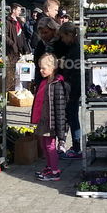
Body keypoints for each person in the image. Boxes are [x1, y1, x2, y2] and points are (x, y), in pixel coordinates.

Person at [31, 53, 68, 181]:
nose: (41, 70)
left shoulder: (57, 85)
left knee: (50, 146)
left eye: (43, 68)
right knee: (44, 144)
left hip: (51, 122)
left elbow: (60, 108)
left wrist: (61, 131)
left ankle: (54, 170)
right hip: (44, 120)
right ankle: (49, 166)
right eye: (40, 68)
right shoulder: (44, 82)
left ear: (52, 68)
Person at [54, 22, 83, 158]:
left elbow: (73, 70)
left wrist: (62, 66)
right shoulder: (74, 47)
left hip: (73, 88)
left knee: (73, 116)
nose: (63, 40)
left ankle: (77, 147)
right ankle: (76, 146)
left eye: (63, 37)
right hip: (73, 86)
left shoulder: (75, 49)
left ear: (69, 35)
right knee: (72, 116)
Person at [31, 17, 60, 95]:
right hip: (42, 79)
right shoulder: (41, 44)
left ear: (53, 31)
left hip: (57, 80)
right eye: (41, 33)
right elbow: (36, 61)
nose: (43, 35)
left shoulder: (60, 43)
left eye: (46, 32)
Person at [5, 3, 30, 92]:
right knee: (12, 71)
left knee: (21, 71)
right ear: (13, 10)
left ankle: (21, 89)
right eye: (18, 10)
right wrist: (12, 44)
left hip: (20, 49)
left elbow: (22, 35)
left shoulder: (19, 21)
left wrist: (26, 48)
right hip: (12, 51)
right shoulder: (7, 21)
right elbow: (5, 36)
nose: (20, 12)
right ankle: (11, 90)